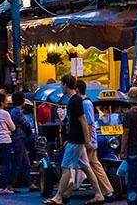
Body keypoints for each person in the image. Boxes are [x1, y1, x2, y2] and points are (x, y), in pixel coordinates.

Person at [43, 75, 105, 205]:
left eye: (62, 84)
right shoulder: (74, 100)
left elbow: (82, 120)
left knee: (65, 167)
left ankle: (59, 196)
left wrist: (87, 140)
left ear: (66, 85)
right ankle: (99, 194)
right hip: (77, 139)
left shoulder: (74, 101)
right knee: (86, 168)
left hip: (76, 140)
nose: (61, 87)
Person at [78, 81, 113, 200]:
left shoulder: (85, 103)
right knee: (95, 166)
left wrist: (87, 141)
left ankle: (100, 192)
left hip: (88, 140)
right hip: (90, 139)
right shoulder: (86, 102)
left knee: (84, 166)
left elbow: (88, 123)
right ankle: (108, 191)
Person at [8, 91, 37, 192]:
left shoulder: (14, 111)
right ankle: (9, 184)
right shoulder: (16, 112)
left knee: (26, 162)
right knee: (17, 162)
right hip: (18, 138)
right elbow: (26, 124)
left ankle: (30, 183)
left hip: (19, 138)